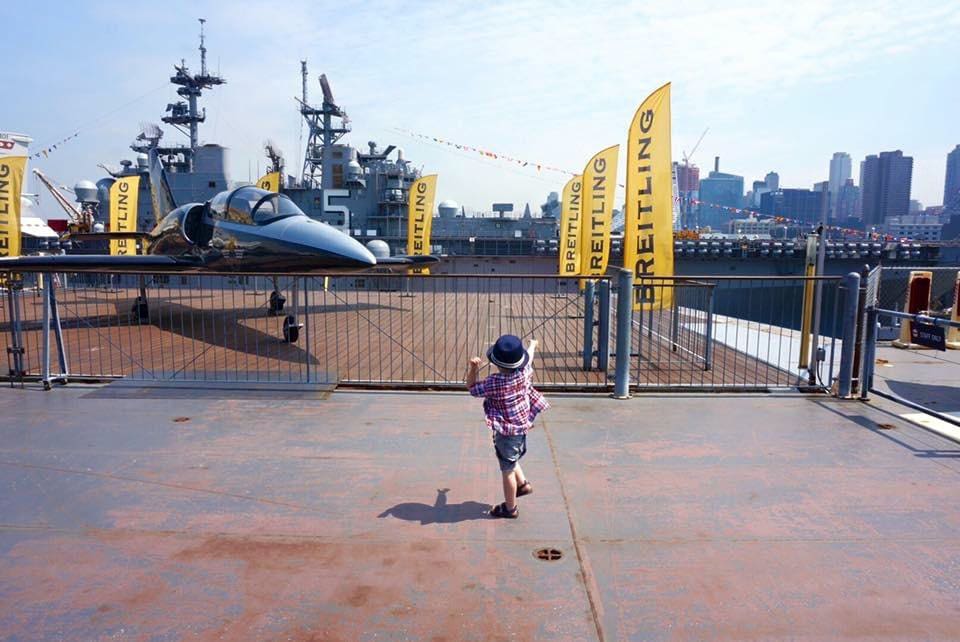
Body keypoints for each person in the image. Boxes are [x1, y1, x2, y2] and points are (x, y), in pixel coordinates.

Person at [466, 334, 549, 519]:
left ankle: (510, 508)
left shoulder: (494, 383)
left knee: (507, 469)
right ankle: (523, 485)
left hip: (507, 430)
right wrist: (533, 345)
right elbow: (529, 355)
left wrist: (473, 368)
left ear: (496, 362)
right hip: (522, 425)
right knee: (509, 457)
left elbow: (472, 388)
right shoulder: (525, 371)